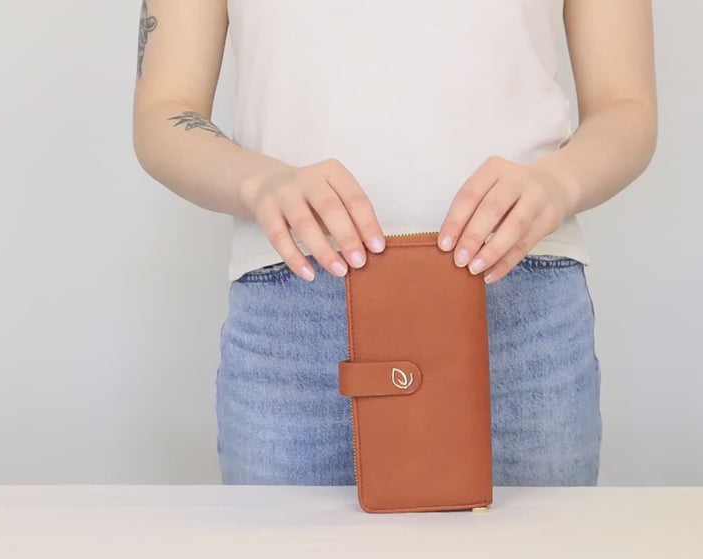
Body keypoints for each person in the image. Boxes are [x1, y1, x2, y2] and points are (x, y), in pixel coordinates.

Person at [133, 0, 657, 486]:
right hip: (293, 309)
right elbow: (165, 109)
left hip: (517, 300)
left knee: (532, 546)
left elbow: (625, 104)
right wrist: (260, 183)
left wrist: (558, 183)